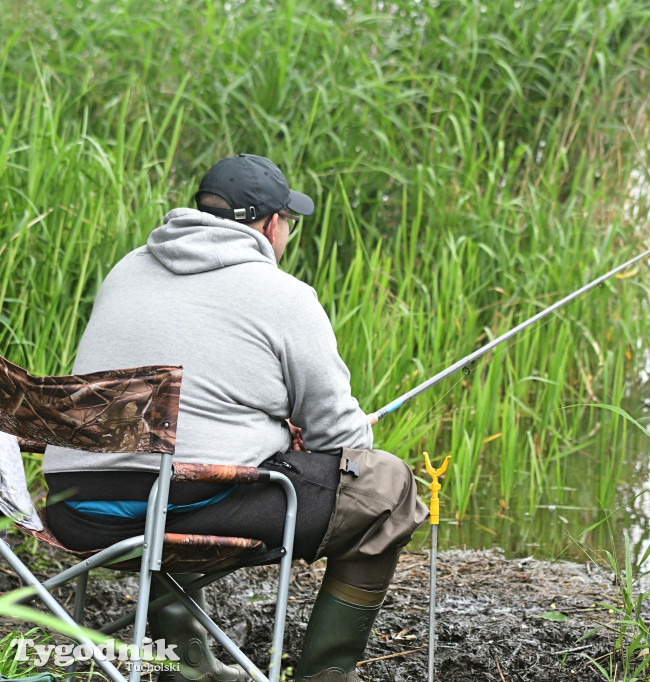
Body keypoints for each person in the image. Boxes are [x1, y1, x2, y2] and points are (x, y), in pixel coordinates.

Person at [42, 153, 428, 682]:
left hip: (76, 510)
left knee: (182, 464)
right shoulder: (285, 296)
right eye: (289, 221)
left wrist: (264, 432)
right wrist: (293, 438)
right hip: (172, 509)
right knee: (389, 490)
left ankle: (186, 660)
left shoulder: (127, 268)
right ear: (271, 225)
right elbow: (344, 439)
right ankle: (327, 675)